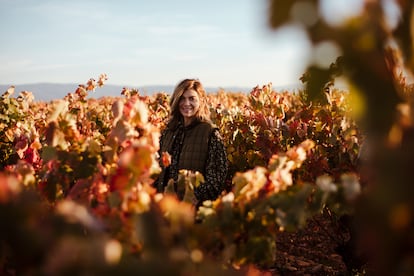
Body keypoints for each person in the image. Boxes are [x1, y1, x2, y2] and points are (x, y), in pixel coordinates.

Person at [154, 78, 228, 205]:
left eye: (192, 98)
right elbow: (159, 171)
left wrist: (192, 197)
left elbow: (217, 179)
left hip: (192, 212)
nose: (186, 103)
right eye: (182, 98)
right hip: (165, 207)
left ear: (201, 101)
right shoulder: (169, 132)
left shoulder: (210, 134)